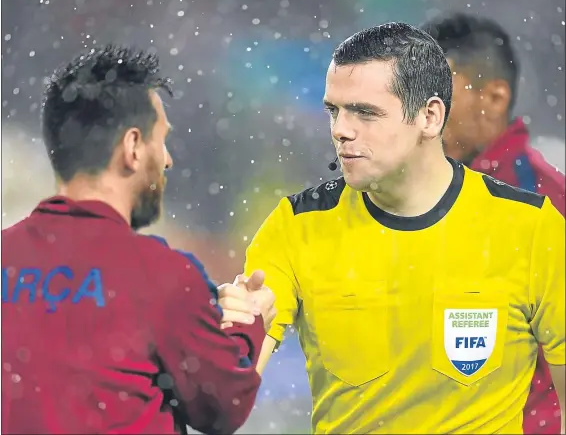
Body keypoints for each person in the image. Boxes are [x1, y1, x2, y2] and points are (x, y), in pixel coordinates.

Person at [234, 23, 565, 434]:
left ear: (429, 116)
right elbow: (229, 395)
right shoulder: (295, 226)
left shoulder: (533, 225)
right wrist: (240, 332)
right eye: (334, 111)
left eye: (365, 112)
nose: (341, 129)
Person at [1, 44, 275, 435]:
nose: (167, 160)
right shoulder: (162, 275)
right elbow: (222, 408)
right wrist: (247, 326)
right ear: (132, 147)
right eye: (161, 139)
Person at [422, 12, 565, 434]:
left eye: (437, 93)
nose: (423, 112)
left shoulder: (548, 204)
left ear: (494, 98)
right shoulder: (400, 195)